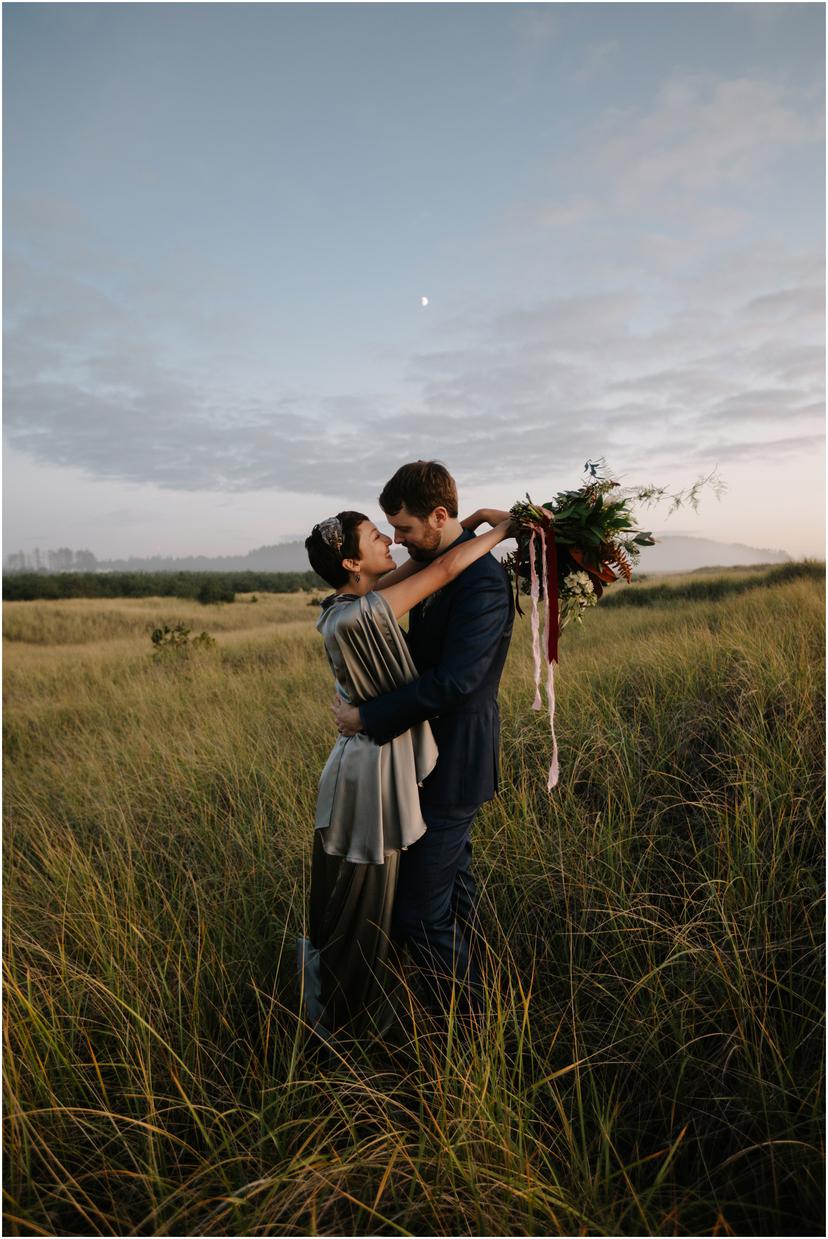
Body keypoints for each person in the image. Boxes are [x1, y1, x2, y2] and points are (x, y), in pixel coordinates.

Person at [299, 499, 514, 1042]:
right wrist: (506, 529)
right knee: (380, 893)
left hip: (374, 753)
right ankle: (362, 1009)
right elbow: (439, 567)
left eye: (395, 530)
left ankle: (477, 991)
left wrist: (463, 527)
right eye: (378, 536)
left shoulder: (352, 603)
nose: (392, 542)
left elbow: (425, 563)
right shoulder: (364, 613)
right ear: (352, 564)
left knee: (434, 884)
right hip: (371, 766)